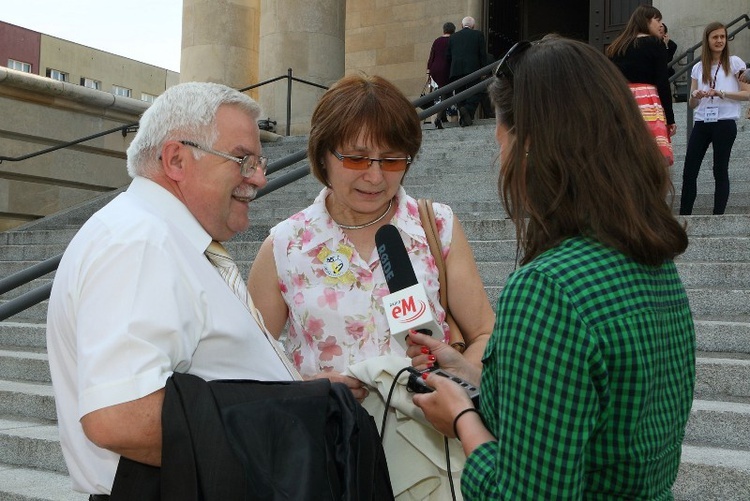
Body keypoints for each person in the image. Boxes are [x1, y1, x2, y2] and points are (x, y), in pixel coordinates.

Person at [408, 36, 696, 499]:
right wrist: (470, 373)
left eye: (499, 141)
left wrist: (462, 419)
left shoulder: (548, 287)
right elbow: (576, 408)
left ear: (529, 146)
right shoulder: (655, 263)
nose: (499, 159)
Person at [46, 82, 297, 497]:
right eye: (242, 160)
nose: (259, 177)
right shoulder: (140, 242)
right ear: (177, 159)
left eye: (259, 160)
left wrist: (299, 392)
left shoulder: (161, 236)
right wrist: (294, 427)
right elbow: (121, 417)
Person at [248, 73, 494, 379]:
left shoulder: (438, 226)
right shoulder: (285, 244)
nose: (375, 177)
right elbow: (251, 365)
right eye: (356, 158)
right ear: (323, 155)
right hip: (325, 424)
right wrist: (306, 388)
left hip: (426, 423)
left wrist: (456, 380)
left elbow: (485, 334)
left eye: (391, 160)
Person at [679, 22, 750, 215]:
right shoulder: (698, 67)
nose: (719, 41)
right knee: (689, 170)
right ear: (707, 40)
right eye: (715, 37)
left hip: (725, 122)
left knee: (720, 169)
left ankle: (718, 215)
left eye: (722, 37)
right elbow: (691, 104)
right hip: (702, 122)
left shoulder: (735, 63)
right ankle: (685, 215)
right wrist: (695, 96)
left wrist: (721, 93)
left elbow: (747, 94)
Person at [607, 5, 676, 166]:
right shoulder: (655, 43)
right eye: (657, 20)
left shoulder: (618, 45)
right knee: (651, 155)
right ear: (646, 20)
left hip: (623, 101)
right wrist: (670, 118)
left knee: (627, 152)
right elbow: (662, 81)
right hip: (648, 101)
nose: (660, 25)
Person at [447, 16, 489, 127]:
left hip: (456, 70)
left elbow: (448, 56)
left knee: (460, 94)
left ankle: (465, 117)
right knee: (477, 91)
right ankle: (467, 109)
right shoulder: (478, 35)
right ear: (473, 26)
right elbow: (482, 54)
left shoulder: (453, 37)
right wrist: (484, 70)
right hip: (473, 69)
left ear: (461, 25)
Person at [427, 21, 456, 129]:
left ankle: (442, 117)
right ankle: (439, 117)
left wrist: (429, 72)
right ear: (453, 31)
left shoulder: (437, 41)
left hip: (435, 70)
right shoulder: (453, 40)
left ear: (443, 30)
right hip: (447, 70)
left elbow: (432, 56)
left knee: (443, 93)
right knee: (447, 93)